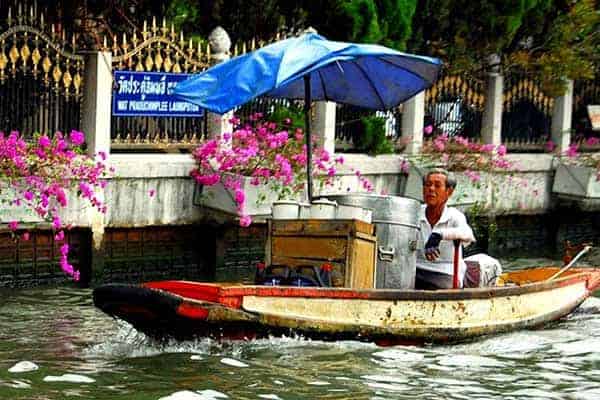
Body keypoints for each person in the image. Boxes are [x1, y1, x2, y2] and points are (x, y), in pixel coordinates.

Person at [415, 168, 475, 289]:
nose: (431, 189)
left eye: (437, 186)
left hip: (446, 272)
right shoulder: (415, 212)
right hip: (417, 268)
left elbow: (468, 234)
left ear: (449, 191)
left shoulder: (454, 216)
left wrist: (438, 235)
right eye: (428, 185)